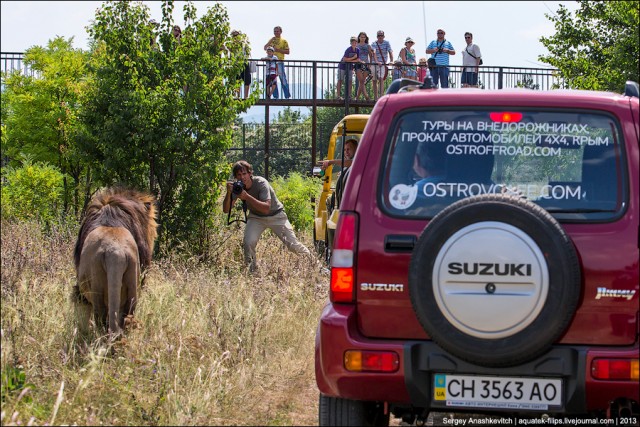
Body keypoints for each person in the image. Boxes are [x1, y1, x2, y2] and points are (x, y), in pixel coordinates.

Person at [223, 160, 316, 273]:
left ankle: (318, 267)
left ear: (250, 173)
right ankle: (252, 273)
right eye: (239, 175)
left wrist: (246, 197)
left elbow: (266, 208)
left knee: (293, 245)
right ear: (235, 177)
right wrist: (229, 193)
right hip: (256, 217)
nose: (242, 178)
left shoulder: (261, 183)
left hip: (276, 215)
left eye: (244, 174)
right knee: (248, 242)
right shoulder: (238, 187)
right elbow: (226, 210)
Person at [263, 26, 290, 99]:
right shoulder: (271, 40)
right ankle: (275, 96)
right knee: (273, 79)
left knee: (282, 78)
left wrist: (277, 50)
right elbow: (265, 47)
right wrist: (270, 40)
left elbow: (288, 51)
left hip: (279, 61)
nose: (276, 33)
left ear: (281, 32)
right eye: (275, 31)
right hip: (271, 63)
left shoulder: (284, 41)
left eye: (277, 31)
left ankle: (287, 95)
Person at [371, 30, 394, 100]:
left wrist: (391, 60)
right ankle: (375, 97)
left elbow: (390, 51)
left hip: (383, 64)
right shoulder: (374, 43)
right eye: (379, 35)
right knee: (374, 80)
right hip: (374, 63)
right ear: (377, 36)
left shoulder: (387, 43)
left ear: (383, 36)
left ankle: (381, 96)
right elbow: (374, 52)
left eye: (381, 35)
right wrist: (377, 61)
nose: (380, 37)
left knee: (381, 79)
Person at [336, 36, 361, 100]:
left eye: (355, 42)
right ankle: (338, 96)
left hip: (350, 67)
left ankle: (349, 96)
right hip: (342, 66)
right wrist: (353, 58)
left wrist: (351, 60)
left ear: (357, 43)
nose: (354, 43)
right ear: (351, 43)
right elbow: (344, 59)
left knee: (350, 81)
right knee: (340, 80)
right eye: (353, 42)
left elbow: (358, 59)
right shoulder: (348, 49)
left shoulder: (357, 50)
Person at [232, 30, 252, 98]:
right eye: (234, 36)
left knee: (247, 79)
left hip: (244, 62)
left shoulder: (243, 43)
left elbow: (247, 51)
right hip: (236, 63)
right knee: (237, 80)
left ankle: (246, 96)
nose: (236, 37)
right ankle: (238, 96)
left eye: (237, 35)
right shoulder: (231, 44)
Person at [355, 32, 374, 101]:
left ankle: (357, 97)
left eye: (364, 37)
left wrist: (370, 63)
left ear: (366, 38)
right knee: (362, 81)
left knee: (362, 82)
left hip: (366, 64)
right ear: (359, 37)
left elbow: (370, 55)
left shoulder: (368, 46)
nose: (362, 38)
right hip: (358, 64)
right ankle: (366, 96)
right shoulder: (356, 45)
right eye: (361, 37)